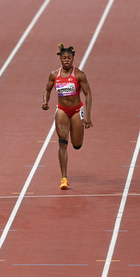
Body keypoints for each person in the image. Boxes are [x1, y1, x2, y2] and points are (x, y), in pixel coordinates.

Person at [42, 44, 92, 189]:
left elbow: (88, 94)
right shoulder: (54, 75)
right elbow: (47, 89)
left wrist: (88, 115)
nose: (67, 60)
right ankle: (64, 178)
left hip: (77, 111)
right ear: (60, 59)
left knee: (76, 145)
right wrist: (45, 101)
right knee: (62, 142)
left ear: (73, 58)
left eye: (69, 58)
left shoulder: (79, 75)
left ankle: (76, 138)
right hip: (62, 110)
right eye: (64, 58)